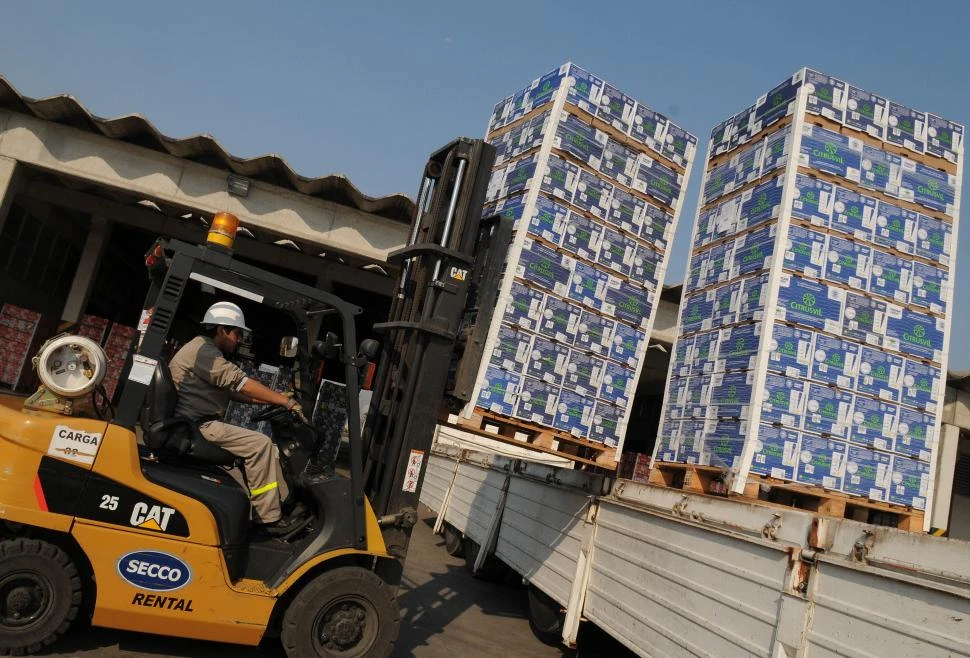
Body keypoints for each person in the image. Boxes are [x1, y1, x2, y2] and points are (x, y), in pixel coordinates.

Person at [169, 301, 305, 536]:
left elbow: (234, 393)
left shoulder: (203, 349)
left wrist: (273, 399)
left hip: (197, 422)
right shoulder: (204, 351)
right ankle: (268, 519)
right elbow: (239, 382)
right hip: (197, 425)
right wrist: (285, 401)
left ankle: (263, 507)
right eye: (238, 333)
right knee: (260, 445)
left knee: (257, 444)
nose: (240, 339)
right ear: (222, 330)